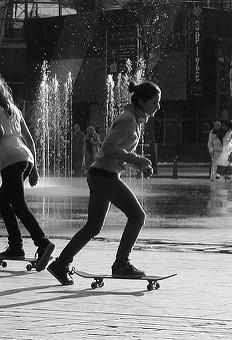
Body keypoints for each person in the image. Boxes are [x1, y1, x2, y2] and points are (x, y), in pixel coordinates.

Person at [47, 82, 160, 285]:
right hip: (104, 176)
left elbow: (115, 151)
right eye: (154, 102)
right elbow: (108, 147)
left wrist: (139, 164)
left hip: (100, 174)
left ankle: (60, 263)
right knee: (137, 216)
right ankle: (121, 264)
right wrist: (135, 160)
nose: (158, 107)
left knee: (93, 226)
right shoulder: (128, 120)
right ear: (142, 101)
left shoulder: (133, 120)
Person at [0, 69, 55, 271]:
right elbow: (29, 139)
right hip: (25, 157)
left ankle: (42, 242)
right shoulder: (12, 108)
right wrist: (34, 167)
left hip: (11, 159)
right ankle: (16, 246)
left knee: (18, 205)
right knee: (3, 201)